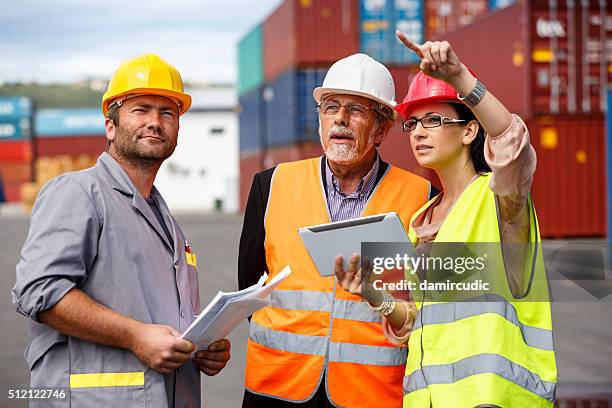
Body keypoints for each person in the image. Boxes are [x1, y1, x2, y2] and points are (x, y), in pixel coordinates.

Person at [335, 33, 557, 407]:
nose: (419, 131)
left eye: (434, 120)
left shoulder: (499, 200)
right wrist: (372, 293)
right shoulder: (421, 219)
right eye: (414, 123)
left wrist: (460, 79)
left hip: (493, 398)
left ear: (470, 131)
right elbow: (416, 323)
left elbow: (510, 141)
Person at [12, 54, 231, 408]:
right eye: (141, 109)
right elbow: (38, 291)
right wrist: (135, 336)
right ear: (110, 127)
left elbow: (157, 319)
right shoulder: (79, 192)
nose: (155, 122)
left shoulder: (168, 223)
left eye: (168, 113)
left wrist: (199, 349)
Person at [239, 53, 438, 408]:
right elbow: (250, 288)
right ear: (319, 119)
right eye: (331, 107)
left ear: (381, 128)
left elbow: (428, 310)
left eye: (356, 110)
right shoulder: (271, 186)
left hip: (373, 394)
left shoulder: (422, 199)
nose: (340, 119)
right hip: (275, 388)